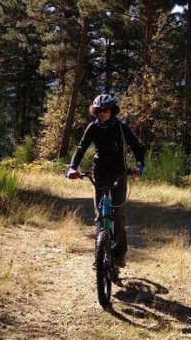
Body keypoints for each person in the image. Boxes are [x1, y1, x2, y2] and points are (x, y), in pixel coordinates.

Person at [66, 93, 145, 268]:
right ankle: (99, 255)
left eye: (106, 110)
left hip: (119, 171)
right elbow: (81, 148)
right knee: (100, 215)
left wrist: (140, 166)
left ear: (112, 110)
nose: (103, 113)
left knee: (117, 215)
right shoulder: (93, 127)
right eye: (99, 110)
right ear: (95, 111)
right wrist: (73, 167)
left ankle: (119, 254)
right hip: (100, 171)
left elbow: (136, 146)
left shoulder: (121, 127)